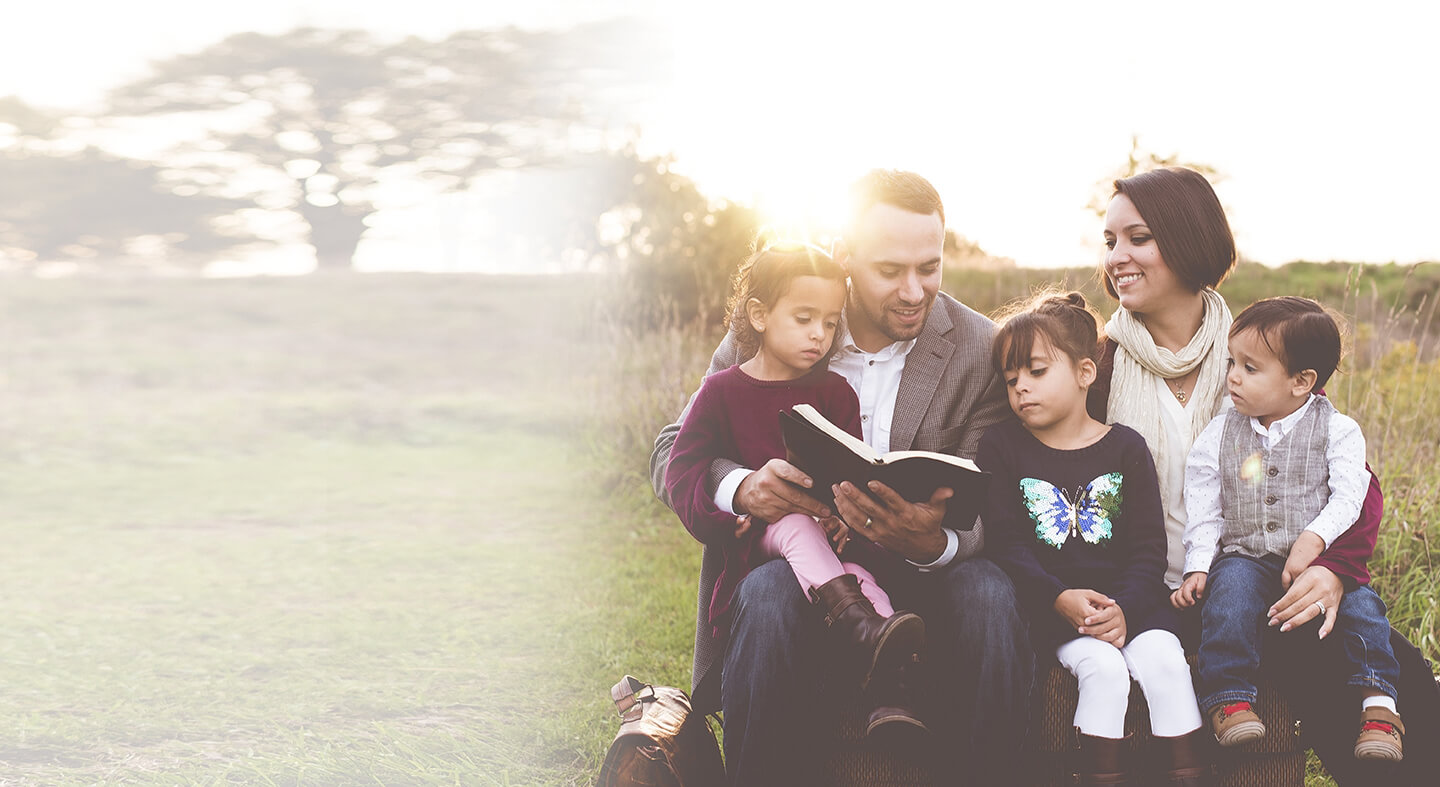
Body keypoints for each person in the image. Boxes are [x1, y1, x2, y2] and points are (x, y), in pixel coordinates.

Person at [650, 170, 1029, 785]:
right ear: (845, 256)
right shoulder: (786, 319)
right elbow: (674, 446)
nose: (914, 290)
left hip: (927, 576)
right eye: (890, 270)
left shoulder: (979, 348)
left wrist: (936, 542)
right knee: (769, 592)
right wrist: (741, 486)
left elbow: (995, 489)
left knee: (989, 592)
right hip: (808, 571)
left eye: (929, 267)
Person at [1090, 166, 1437, 785]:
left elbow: (1351, 480)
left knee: (1409, 703)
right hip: (1164, 593)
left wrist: (1333, 569)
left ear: (1188, 241)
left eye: (1137, 238)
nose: (1117, 256)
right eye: (1110, 239)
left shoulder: (1262, 347)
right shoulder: (1099, 362)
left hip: (1271, 576)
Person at [662, 235, 927, 736]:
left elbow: (853, 468)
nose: (819, 336)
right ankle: (856, 626)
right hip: (758, 539)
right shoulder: (722, 391)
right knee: (793, 525)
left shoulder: (833, 391)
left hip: (830, 540)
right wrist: (730, 514)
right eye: (804, 319)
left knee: (863, 577)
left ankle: (890, 682)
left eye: (830, 323)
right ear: (759, 315)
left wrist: (848, 515)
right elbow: (682, 469)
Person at [980, 291, 1207, 785]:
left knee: (1166, 659)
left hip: (1133, 605)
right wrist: (1058, 598)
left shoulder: (1126, 447)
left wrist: (1124, 607)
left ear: (1086, 373)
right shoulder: (1001, 447)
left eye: (1037, 372)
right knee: (1103, 668)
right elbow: (1006, 545)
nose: (1021, 389)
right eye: (1011, 379)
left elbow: (1149, 548)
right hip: (1053, 613)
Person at [1175, 296, 1403, 759]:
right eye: (1231, 363)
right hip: (1247, 554)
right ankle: (1230, 698)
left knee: (1363, 609)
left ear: (1302, 382)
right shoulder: (1223, 430)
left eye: (1250, 368)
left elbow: (1350, 495)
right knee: (1230, 595)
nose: (1233, 376)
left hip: (1319, 562)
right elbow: (1204, 500)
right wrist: (1198, 564)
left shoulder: (1337, 430)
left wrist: (1315, 538)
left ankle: (1379, 706)